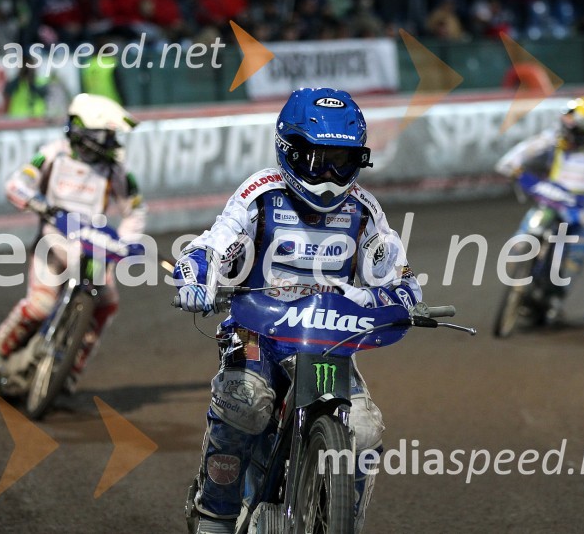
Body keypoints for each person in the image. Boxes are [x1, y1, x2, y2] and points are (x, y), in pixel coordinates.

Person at [173, 87, 423, 534]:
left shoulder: (363, 209)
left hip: (329, 337)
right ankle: (214, 511)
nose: (330, 174)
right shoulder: (260, 193)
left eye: (342, 161)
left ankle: (338, 522)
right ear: (289, 150)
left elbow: (392, 268)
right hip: (257, 330)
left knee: (363, 430)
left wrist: (404, 293)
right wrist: (197, 272)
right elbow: (217, 240)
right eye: (318, 159)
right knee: (244, 403)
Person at [0, 93, 145, 391]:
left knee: (107, 304)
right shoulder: (52, 155)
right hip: (52, 244)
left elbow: (135, 209)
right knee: (39, 307)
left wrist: (129, 240)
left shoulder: (116, 169)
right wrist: (39, 203)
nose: (110, 140)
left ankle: (71, 368)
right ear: (84, 130)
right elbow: (16, 183)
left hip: (93, 250)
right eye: (104, 134)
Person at [494, 96, 584, 321]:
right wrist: (517, 172)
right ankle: (526, 281)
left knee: (580, 252)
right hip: (550, 203)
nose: (565, 128)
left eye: (571, 124)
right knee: (521, 244)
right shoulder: (552, 140)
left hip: (582, 210)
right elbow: (509, 161)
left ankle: (554, 300)